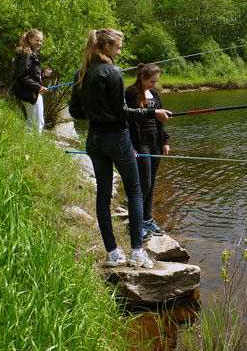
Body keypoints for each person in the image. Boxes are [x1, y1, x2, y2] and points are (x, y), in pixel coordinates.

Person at [68, 28, 172, 268]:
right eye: (118, 47)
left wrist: (97, 115)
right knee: (135, 191)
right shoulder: (113, 72)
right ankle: (137, 251)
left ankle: (112, 253)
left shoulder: (81, 71)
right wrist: (152, 112)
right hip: (117, 138)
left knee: (103, 195)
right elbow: (122, 112)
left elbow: (75, 111)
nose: (120, 51)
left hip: (94, 139)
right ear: (107, 48)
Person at [125, 63, 169, 241]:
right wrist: (131, 146)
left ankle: (147, 219)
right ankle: (134, 225)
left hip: (155, 143)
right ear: (142, 77)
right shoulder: (130, 93)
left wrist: (165, 141)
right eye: (152, 81)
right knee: (143, 184)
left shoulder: (155, 94)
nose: (154, 84)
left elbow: (160, 121)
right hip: (140, 143)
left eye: (156, 81)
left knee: (151, 184)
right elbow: (126, 120)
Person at [12, 29, 52, 134]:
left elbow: (31, 75)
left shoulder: (32, 53)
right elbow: (22, 76)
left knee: (38, 122)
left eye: (41, 41)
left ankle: (31, 145)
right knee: (35, 124)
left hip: (32, 92)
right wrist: (37, 88)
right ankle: (29, 147)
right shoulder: (27, 55)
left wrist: (43, 75)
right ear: (29, 39)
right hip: (29, 93)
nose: (39, 43)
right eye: (37, 40)